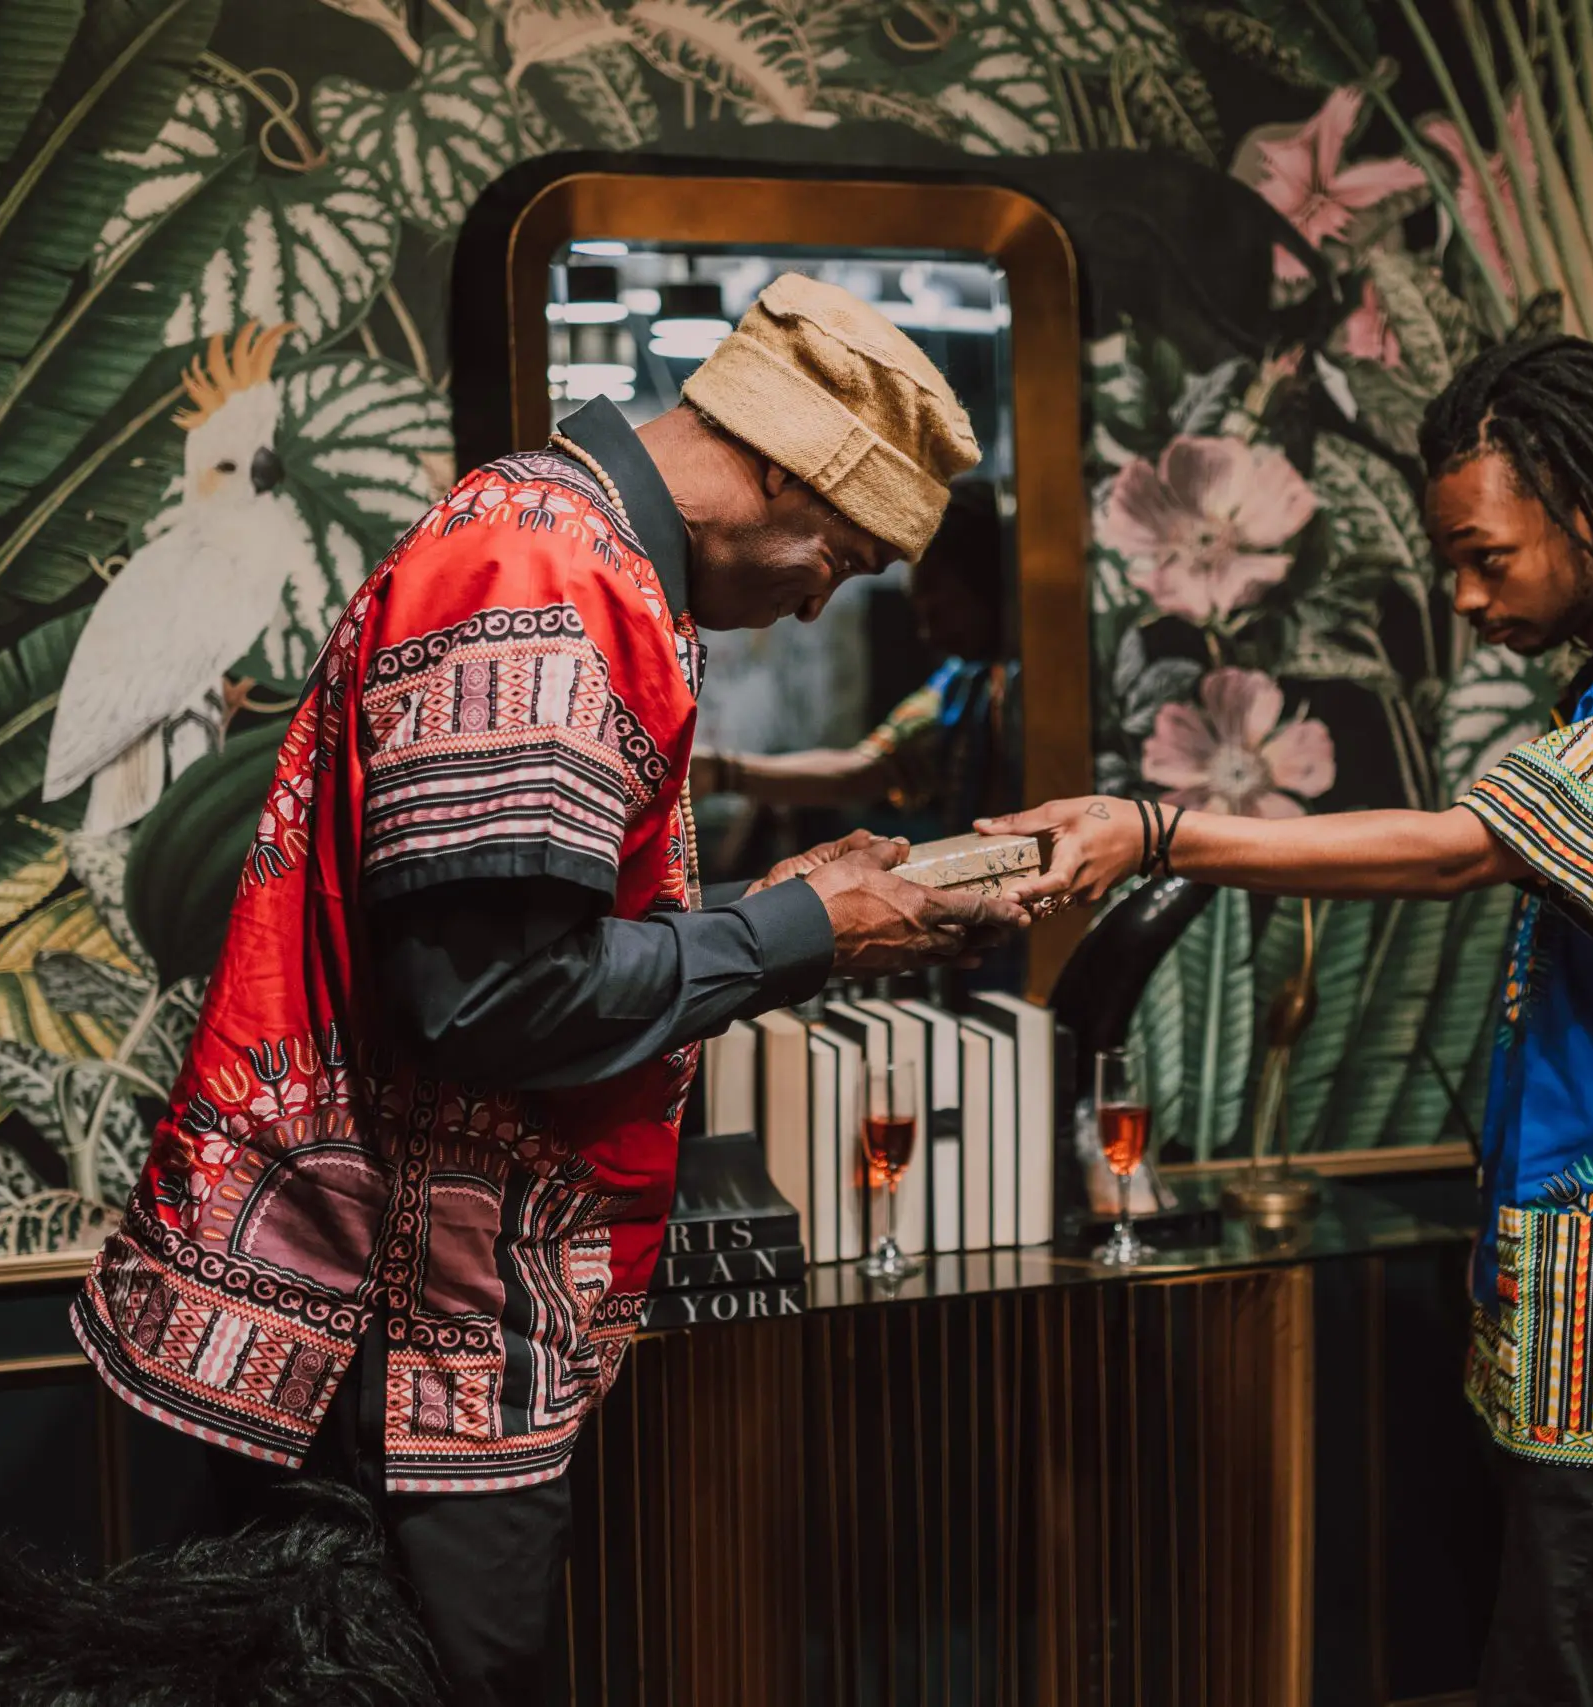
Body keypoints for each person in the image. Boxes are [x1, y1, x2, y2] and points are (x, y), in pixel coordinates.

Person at [70, 273, 1024, 1707]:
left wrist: (784, 909)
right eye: (842, 551)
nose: (821, 597)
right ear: (779, 464)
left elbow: (530, 934)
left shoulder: (574, 554)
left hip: (440, 1315)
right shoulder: (543, 575)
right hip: (402, 1329)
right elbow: (491, 1000)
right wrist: (799, 934)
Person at [989, 335, 1593, 1706]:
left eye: (1486, 556)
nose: (1465, 596)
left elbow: (1467, 849)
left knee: (1578, 1667)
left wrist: (1159, 831)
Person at [690, 479, 1017, 836]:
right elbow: (866, 769)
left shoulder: (1032, 694)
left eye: (939, 610)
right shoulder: (960, 685)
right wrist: (722, 772)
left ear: (992, 585)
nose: (928, 634)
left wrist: (726, 773)